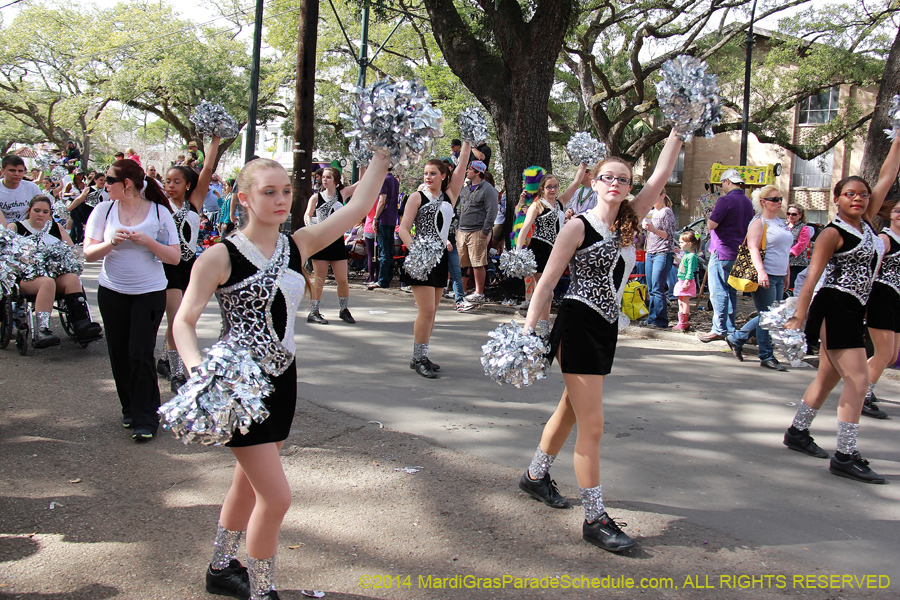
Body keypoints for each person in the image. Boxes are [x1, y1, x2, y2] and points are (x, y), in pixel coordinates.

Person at [172, 151, 390, 600]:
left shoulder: (299, 244)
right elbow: (183, 321)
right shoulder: (220, 255)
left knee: (248, 485)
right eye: (269, 192)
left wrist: (383, 154)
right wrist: (200, 374)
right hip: (239, 389)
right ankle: (261, 589)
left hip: (283, 379)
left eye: (286, 191)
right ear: (244, 197)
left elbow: (356, 208)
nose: (280, 200)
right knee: (276, 497)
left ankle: (219, 568)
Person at [517, 130, 683, 553]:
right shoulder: (577, 226)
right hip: (576, 325)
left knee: (571, 409)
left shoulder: (629, 219)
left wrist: (680, 129)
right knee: (593, 426)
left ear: (629, 187)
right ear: (594, 182)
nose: (615, 184)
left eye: (623, 179)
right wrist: (527, 332)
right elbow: (547, 282)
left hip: (606, 328)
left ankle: (535, 476)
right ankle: (594, 518)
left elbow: (662, 174)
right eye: (608, 177)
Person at [782, 136, 899, 484]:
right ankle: (845, 455)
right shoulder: (833, 233)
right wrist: (799, 317)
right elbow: (812, 276)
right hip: (835, 306)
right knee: (859, 381)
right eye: (850, 194)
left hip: (854, 307)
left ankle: (797, 432)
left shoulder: (866, 224)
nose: (859, 198)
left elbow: (888, 174)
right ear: (836, 199)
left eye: (863, 194)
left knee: (828, 377)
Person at [83, 159, 181, 441]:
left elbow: (173, 256)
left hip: (149, 292)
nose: (104, 185)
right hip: (112, 291)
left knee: (140, 353)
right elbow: (88, 253)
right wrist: (111, 242)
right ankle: (130, 408)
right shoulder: (104, 209)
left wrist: (147, 241)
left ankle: (146, 418)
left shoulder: (160, 213)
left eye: (108, 181)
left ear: (126, 184)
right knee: (119, 353)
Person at [398, 142, 470, 377]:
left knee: (433, 310)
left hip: (440, 258)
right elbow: (403, 229)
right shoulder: (416, 197)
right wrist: (416, 251)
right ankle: (418, 358)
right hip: (421, 258)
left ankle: (421, 355)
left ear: (443, 175)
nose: (428, 177)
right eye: (426, 173)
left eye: (432, 173)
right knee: (426, 310)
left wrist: (468, 142)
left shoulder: (450, 195)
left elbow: (462, 166)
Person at [159, 136, 221, 389]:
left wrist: (215, 139)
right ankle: (177, 373)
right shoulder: (158, 206)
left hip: (190, 269)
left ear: (187, 185)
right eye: (167, 181)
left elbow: (207, 169)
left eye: (176, 181)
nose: (170, 185)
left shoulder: (193, 204)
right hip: (166, 269)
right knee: (177, 320)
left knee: (184, 319)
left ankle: (164, 359)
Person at [9, 195, 102, 347]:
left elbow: (72, 249)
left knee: (71, 278)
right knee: (47, 282)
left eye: (45, 212)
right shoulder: (16, 227)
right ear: (29, 210)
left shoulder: (55, 227)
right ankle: (42, 330)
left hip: (54, 274)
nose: (41, 214)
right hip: (28, 277)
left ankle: (81, 324)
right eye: (37, 210)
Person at [725, 186, 794, 370]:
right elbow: (753, 247)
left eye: (780, 198)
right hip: (766, 274)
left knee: (771, 315)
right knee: (769, 316)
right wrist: (761, 272)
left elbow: (785, 250)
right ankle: (766, 356)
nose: (779, 202)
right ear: (763, 202)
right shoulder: (758, 222)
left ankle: (736, 338)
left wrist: (787, 272)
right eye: (774, 199)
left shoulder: (780, 222)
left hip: (779, 274)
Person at [515, 165, 587, 334]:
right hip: (539, 249)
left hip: (555, 251)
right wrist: (519, 251)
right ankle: (541, 328)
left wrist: (583, 165)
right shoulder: (538, 205)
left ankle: (540, 328)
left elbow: (576, 183)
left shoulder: (560, 203)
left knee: (548, 293)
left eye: (555, 186)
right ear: (542, 188)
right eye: (549, 187)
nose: (553, 189)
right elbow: (525, 229)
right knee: (545, 292)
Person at [698, 169, 754, 343]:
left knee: (719, 292)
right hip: (739, 251)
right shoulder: (747, 202)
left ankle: (719, 328)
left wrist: (709, 217)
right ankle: (729, 328)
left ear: (728, 181)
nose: (722, 187)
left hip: (722, 250)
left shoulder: (725, 200)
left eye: (722, 183)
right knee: (731, 291)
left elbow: (712, 224)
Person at [303, 166, 363, 324]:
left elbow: (361, 183)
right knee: (319, 278)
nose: (324, 179)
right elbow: (308, 214)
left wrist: (364, 165)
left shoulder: (341, 194)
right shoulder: (316, 197)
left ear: (336, 181)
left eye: (328, 177)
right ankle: (313, 311)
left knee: (342, 279)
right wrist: (310, 225)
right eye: (323, 176)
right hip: (321, 241)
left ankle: (344, 310)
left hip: (336, 241)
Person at [863, 198, 900, 419]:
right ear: (890, 214)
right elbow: (871, 269)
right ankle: (863, 395)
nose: (899, 214)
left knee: (892, 355)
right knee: (884, 352)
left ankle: (862, 385)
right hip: (882, 296)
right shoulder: (885, 239)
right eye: (896, 211)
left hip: (897, 301)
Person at [456, 160, 498, 304]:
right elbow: (459, 207)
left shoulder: (488, 189)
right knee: (462, 263)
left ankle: (479, 292)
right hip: (461, 230)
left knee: (478, 262)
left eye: (470, 169)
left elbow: (492, 211)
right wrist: (457, 225)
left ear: (478, 172)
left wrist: (485, 231)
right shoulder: (466, 188)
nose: (467, 171)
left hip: (477, 230)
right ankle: (460, 291)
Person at [642, 190, 676, 328]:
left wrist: (653, 230)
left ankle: (661, 320)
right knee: (651, 288)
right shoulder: (651, 212)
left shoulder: (666, 212)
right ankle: (652, 318)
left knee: (657, 287)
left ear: (662, 196)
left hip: (662, 252)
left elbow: (669, 234)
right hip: (650, 252)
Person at [369, 167, 401, 290]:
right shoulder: (394, 180)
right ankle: (386, 279)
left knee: (383, 251)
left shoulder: (383, 180)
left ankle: (382, 280)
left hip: (384, 218)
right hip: (392, 219)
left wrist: (375, 218)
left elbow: (382, 201)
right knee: (388, 250)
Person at [0, 155, 43, 227]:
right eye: (12, 170)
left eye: (20, 171)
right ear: (2, 171)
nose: (16, 174)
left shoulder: (32, 188)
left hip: (25, 230)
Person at [672, 231, 699, 331]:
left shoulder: (691, 256)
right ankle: (681, 321)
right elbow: (683, 266)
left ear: (689, 244)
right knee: (680, 301)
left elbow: (690, 270)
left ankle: (684, 321)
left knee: (685, 302)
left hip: (686, 281)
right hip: (681, 280)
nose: (680, 245)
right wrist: (676, 258)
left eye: (682, 243)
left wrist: (687, 281)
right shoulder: (686, 255)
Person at [786, 204, 811, 293]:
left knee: (793, 289)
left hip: (797, 264)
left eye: (794, 214)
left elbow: (801, 245)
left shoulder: (804, 228)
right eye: (788, 213)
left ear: (800, 215)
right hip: (784, 262)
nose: (790, 216)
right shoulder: (784, 226)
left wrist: (788, 252)